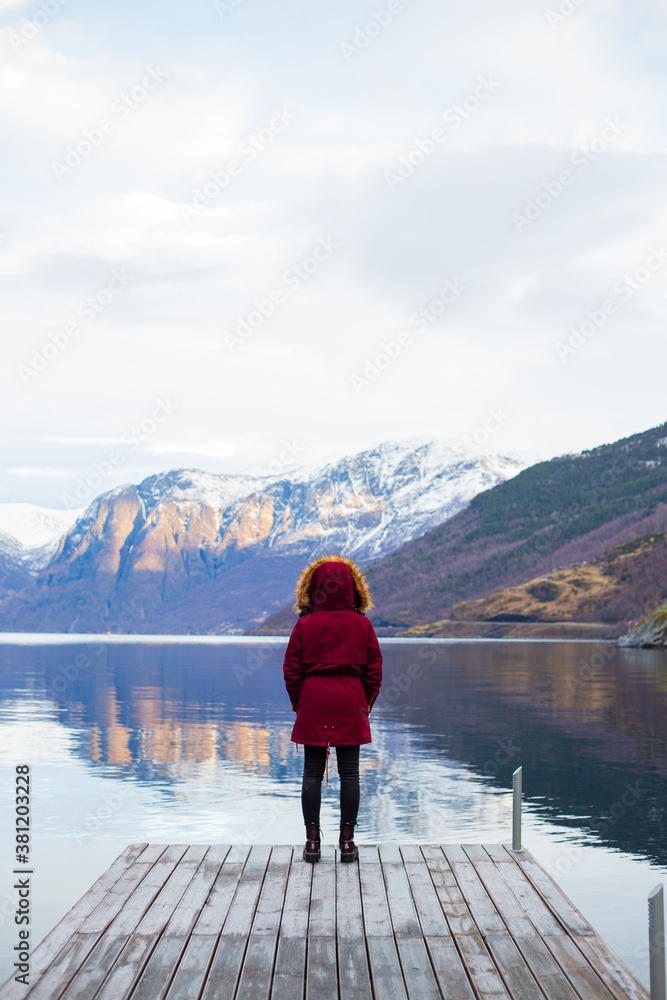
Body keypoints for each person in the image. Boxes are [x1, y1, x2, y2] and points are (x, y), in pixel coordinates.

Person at [283, 554, 383, 863]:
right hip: (350, 700)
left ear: (314, 588)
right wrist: (363, 702)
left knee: (312, 773)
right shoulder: (362, 624)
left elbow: (291, 670)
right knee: (350, 773)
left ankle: (312, 843)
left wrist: (300, 701)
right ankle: (348, 843)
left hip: (313, 699)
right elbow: (374, 671)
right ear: (352, 588)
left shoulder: (304, 624)